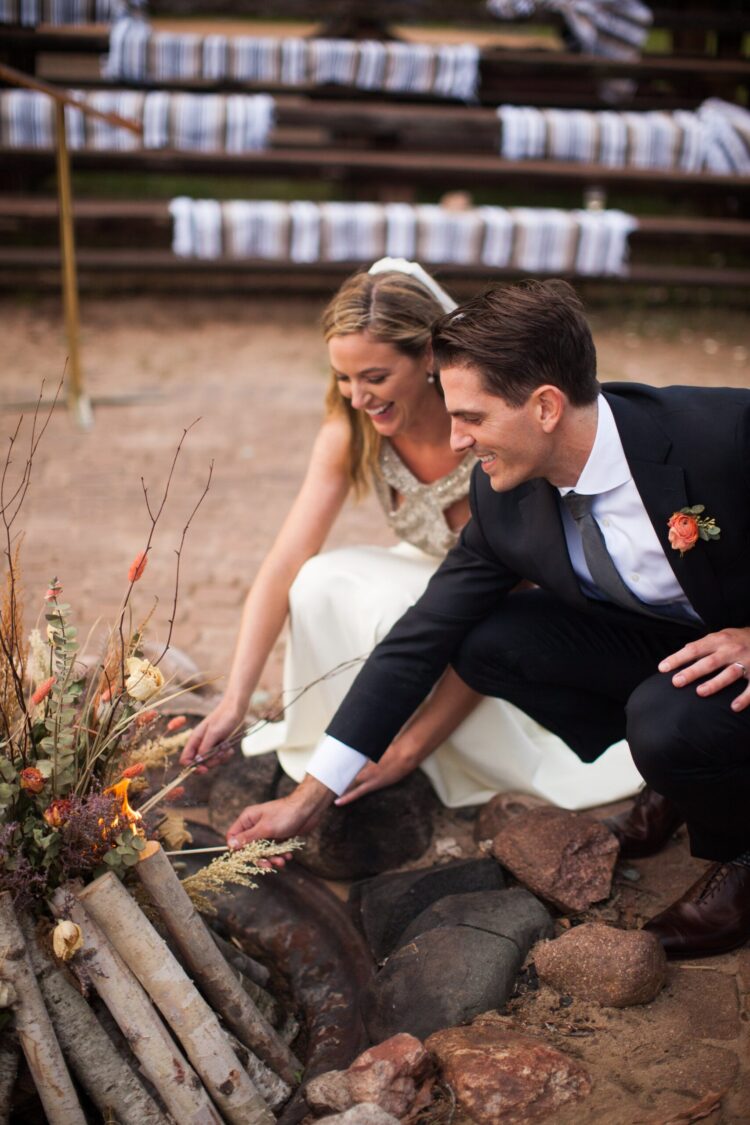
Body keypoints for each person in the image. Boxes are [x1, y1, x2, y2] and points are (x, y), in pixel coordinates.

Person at [226, 278, 750, 959]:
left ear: (545, 406)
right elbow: (421, 636)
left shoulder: (720, 437)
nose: (457, 440)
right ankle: (681, 775)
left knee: (666, 722)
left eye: (470, 417)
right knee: (487, 639)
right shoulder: (503, 498)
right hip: (667, 644)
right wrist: (309, 794)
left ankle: (739, 854)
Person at [181, 261, 640, 813]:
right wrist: (234, 700)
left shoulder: (494, 442)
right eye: (343, 378)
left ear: (428, 356)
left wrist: (407, 750)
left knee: (406, 611)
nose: (356, 397)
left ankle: (427, 751)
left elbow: (495, 601)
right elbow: (284, 562)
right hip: (434, 585)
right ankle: (345, 739)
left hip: (513, 612)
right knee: (317, 580)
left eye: (375, 378)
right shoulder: (351, 430)